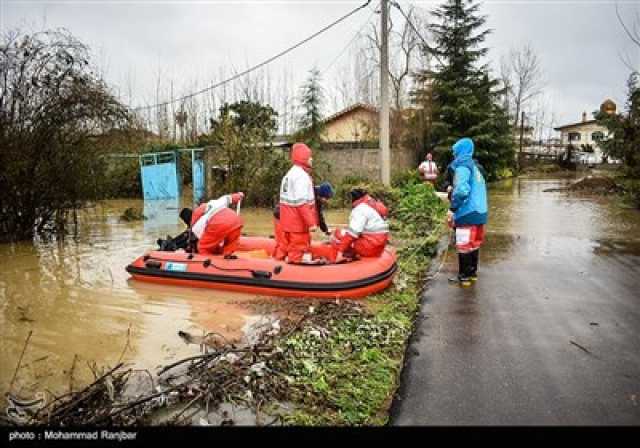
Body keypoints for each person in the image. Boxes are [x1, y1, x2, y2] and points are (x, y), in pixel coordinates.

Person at [447, 138, 488, 287]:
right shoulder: (476, 167)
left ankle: (464, 277)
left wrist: (452, 209)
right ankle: (472, 274)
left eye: (454, 151)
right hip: (480, 212)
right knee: (474, 244)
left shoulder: (462, 165)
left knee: (464, 244)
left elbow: (462, 190)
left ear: (460, 151)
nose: (453, 154)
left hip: (467, 212)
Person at [274, 143, 318, 263]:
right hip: (297, 224)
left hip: (287, 222)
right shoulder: (301, 177)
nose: (311, 159)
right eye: (309, 157)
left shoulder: (289, 174)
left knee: (284, 246)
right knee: (297, 249)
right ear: (303, 158)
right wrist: (311, 223)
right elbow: (301, 203)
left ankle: (278, 265)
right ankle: (292, 272)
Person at [273, 181, 334, 259]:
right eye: (326, 198)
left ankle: (297, 257)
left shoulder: (317, 198)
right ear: (321, 195)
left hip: (294, 218)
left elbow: (319, 215)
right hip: (282, 215)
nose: (327, 201)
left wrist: (325, 230)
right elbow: (303, 209)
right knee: (283, 243)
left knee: (305, 240)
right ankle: (280, 261)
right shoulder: (307, 194)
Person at [328, 188, 389, 263]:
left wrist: (340, 251)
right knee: (347, 233)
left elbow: (352, 234)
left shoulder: (360, 209)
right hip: (379, 247)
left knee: (338, 234)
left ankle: (338, 258)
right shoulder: (374, 205)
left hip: (370, 247)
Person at [190, 192, 245, 257]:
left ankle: (210, 263)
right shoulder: (216, 202)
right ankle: (228, 258)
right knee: (229, 246)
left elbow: (206, 239)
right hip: (236, 221)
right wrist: (239, 195)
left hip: (218, 223)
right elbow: (231, 198)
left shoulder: (196, 224)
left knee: (202, 247)